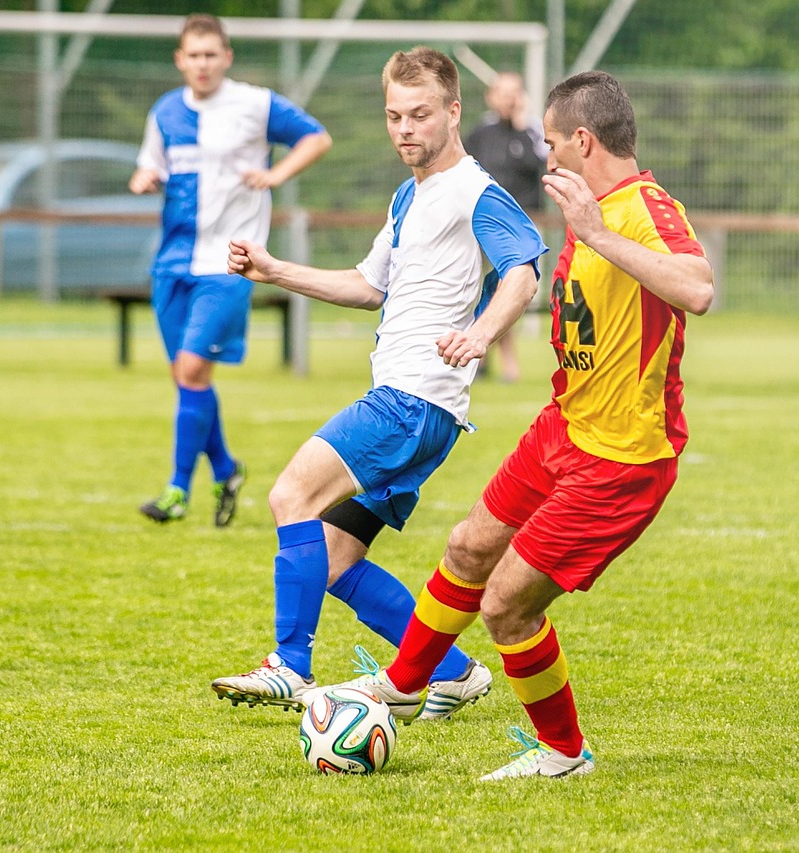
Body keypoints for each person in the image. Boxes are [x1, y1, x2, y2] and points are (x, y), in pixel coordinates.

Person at [326, 69, 714, 779]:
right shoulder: (586, 204)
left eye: (553, 142)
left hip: (621, 459)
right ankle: (403, 687)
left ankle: (565, 753)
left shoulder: (642, 210)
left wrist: (598, 234)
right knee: (469, 545)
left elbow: (698, 287)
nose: (546, 156)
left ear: (584, 140)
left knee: (507, 606)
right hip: (562, 428)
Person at [208, 45, 547, 718]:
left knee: (290, 494)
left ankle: (289, 664)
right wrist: (276, 270)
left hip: (410, 400)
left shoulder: (476, 189)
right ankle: (451, 671)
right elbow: (368, 287)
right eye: (394, 116)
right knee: (332, 557)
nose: (405, 129)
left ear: (454, 111)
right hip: (421, 408)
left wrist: (480, 336)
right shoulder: (408, 194)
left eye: (420, 114)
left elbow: (524, 273)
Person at [130, 14, 332, 526]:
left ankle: (177, 491)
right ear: (180, 60)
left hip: (230, 262)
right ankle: (226, 468)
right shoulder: (165, 112)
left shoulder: (253, 103)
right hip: (172, 263)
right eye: (192, 55)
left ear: (226, 57)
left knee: (193, 369)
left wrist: (276, 173)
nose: (201, 64)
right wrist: (145, 177)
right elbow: (149, 164)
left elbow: (315, 137)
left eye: (210, 54)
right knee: (186, 376)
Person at [463, 72, 548, 384]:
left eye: (515, 92)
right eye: (503, 92)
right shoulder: (480, 134)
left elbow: (537, 164)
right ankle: (480, 359)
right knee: (477, 288)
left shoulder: (531, 132)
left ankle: (507, 364)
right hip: (481, 222)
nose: (508, 98)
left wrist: (521, 124)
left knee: (506, 289)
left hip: (519, 226)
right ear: (491, 96)